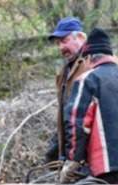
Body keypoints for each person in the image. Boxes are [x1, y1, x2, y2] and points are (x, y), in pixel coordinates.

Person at [59, 28, 118, 184]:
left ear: (88, 58)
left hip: (110, 165)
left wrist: (73, 161)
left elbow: (77, 122)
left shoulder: (88, 79)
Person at [45, 17, 89, 164]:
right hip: (72, 149)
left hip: (88, 150)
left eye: (64, 41)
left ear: (81, 37)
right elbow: (66, 114)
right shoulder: (64, 72)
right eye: (58, 43)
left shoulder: (92, 63)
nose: (61, 47)